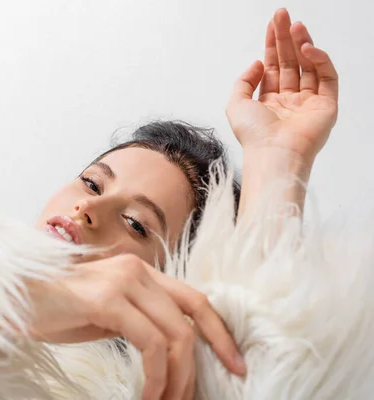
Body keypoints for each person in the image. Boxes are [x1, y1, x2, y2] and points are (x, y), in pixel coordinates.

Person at [26, 8, 338, 400]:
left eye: (136, 224)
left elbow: (254, 360)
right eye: (92, 182)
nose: (90, 209)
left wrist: (278, 156)